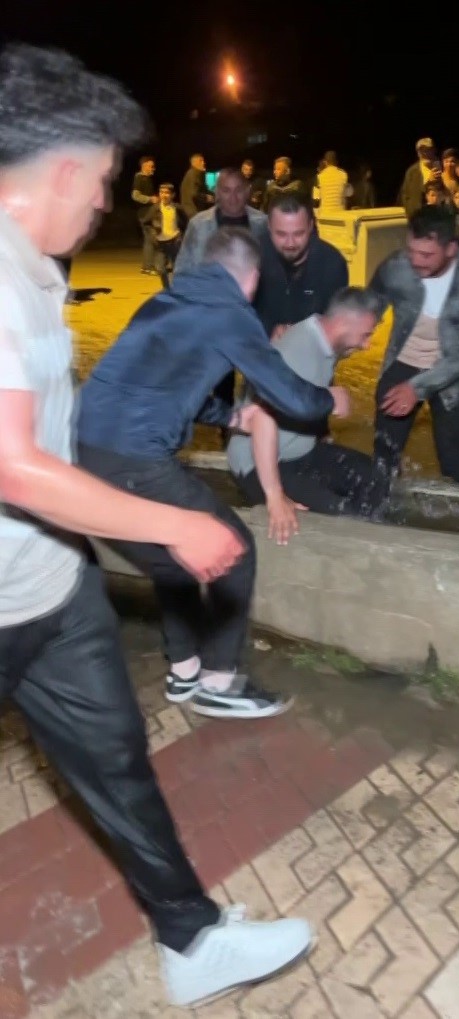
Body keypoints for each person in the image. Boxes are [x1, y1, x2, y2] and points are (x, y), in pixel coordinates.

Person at [0, 41, 316, 1010]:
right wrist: (171, 524)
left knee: (118, 760)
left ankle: (191, 938)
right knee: (121, 748)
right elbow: (10, 462)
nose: (106, 202)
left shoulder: (40, 271)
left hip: (47, 583)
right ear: (63, 169)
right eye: (103, 179)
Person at [77, 226, 350, 711]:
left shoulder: (164, 303)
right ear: (252, 276)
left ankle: (184, 672)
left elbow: (170, 389)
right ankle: (219, 685)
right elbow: (290, 395)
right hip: (133, 456)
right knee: (234, 548)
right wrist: (330, 399)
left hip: (85, 450)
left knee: (171, 557)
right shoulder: (230, 313)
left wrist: (230, 417)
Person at [228, 287, 381, 544]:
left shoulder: (322, 339)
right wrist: (274, 496)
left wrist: (320, 432)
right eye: (365, 335)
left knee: (375, 478)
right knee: (345, 518)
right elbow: (261, 417)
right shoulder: (297, 351)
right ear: (343, 323)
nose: (366, 345)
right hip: (258, 463)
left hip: (297, 452)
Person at [370, 205, 459, 502]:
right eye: (411, 250)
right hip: (404, 360)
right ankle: (379, 506)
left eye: (426, 255)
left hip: (451, 375)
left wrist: (417, 388)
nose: (416, 261)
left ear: (451, 249)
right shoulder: (397, 265)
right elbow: (369, 304)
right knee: (385, 447)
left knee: (451, 452)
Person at [173, 167, 269, 424]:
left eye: (238, 191)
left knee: (257, 375)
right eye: (226, 191)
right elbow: (184, 268)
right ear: (216, 193)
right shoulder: (200, 224)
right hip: (215, 315)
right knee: (221, 378)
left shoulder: (262, 223)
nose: (233, 197)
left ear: (248, 191)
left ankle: (255, 426)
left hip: (254, 315)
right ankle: (226, 428)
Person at [254, 192, 349, 340]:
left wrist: (301, 336)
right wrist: (267, 331)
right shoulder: (251, 257)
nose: (290, 243)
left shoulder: (332, 264)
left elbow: (337, 326)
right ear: (269, 227)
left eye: (298, 234)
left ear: (310, 226)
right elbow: (237, 313)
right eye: (281, 234)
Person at [148, 182, 188, 287]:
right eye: (161, 192)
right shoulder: (155, 209)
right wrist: (152, 234)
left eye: (167, 193)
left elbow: (186, 223)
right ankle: (167, 288)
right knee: (160, 268)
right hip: (160, 243)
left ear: (172, 195)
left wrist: (182, 236)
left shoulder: (177, 208)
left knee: (177, 268)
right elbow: (147, 223)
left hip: (175, 242)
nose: (164, 195)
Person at [397, 137, 441, 219]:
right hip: (418, 218)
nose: (425, 153)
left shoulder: (443, 167)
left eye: (428, 150)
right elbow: (406, 196)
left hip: (438, 217)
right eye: (422, 151)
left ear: (434, 150)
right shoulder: (412, 171)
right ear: (418, 153)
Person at [131, 154, 158, 274]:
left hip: (149, 213)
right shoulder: (139, 178)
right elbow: (135, 195)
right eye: (151, 166)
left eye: (153, 166)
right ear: (144, 166)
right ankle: (148, 266)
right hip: (144, 214)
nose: (153, 168)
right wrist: (150, 199)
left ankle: (147, 266)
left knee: (149, 239)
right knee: (151, 239)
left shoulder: (147, 179)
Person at [179, 153, 213, 220]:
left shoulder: (193, 174)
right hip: (194, 212)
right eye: (201, 161)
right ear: (194, 163)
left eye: (203, 161)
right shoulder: (194, 174)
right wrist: (206, 197)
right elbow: (194, 194)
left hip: (192, 212)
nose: (203, 163)